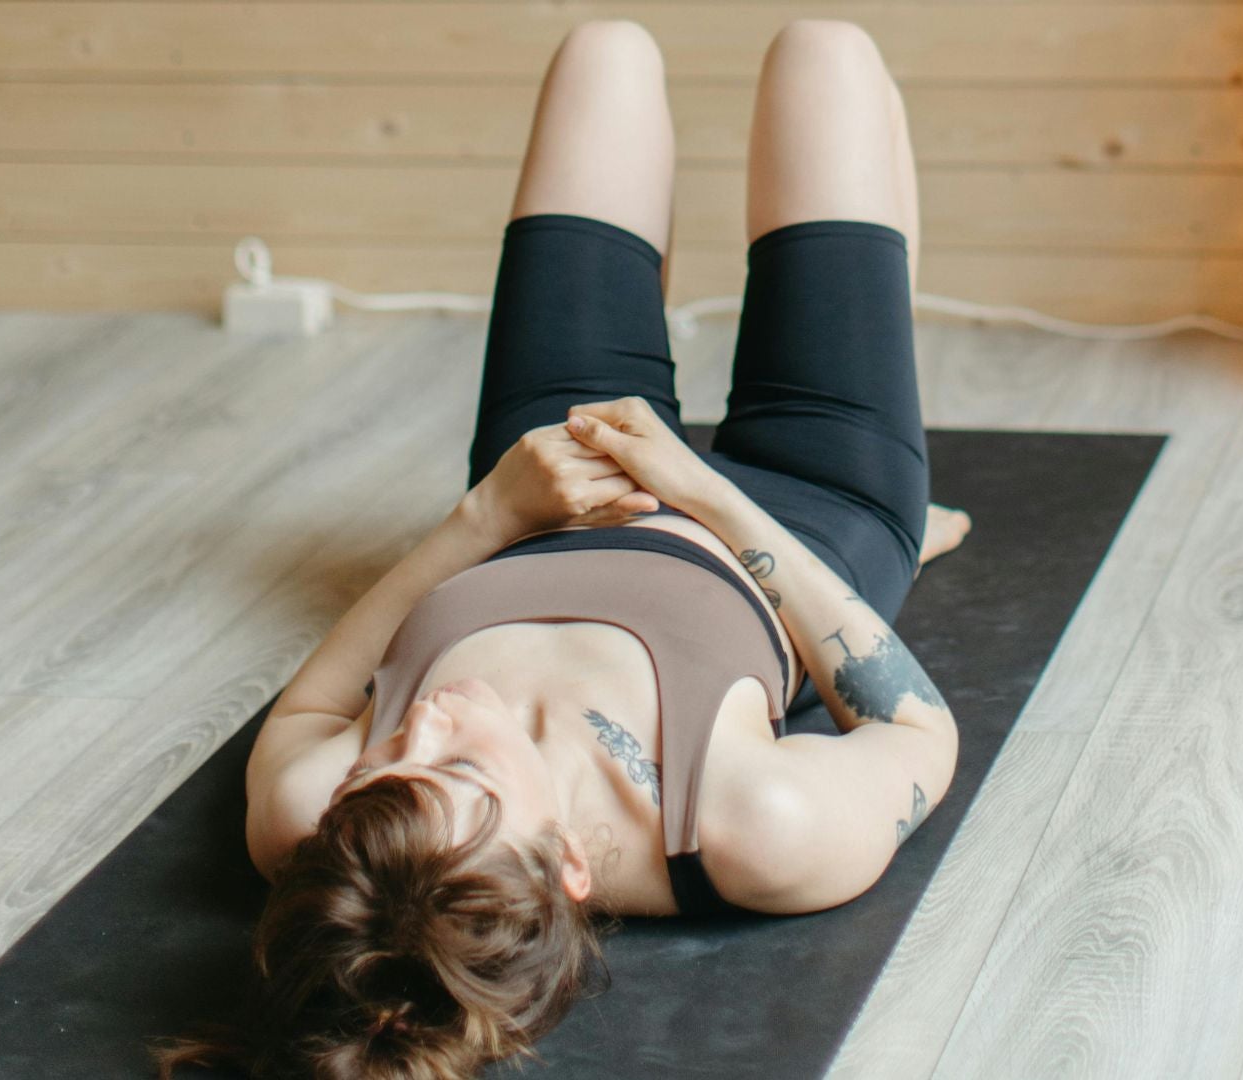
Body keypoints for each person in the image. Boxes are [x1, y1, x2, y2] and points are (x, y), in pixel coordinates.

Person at [149, 18, 970, 1080]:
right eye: (454, 763)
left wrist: (484, 519)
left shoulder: (323, 827)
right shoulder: (748, 827)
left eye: (383, 766)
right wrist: (702, 493)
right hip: (811, 511)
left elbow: (308, 710)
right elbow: (918, 733)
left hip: (550, 485)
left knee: (606, 52)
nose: (417, 725)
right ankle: (921, 523)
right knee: (829, 53)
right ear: (573, 864)